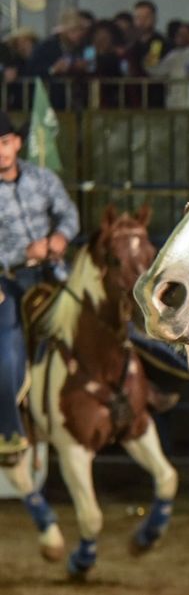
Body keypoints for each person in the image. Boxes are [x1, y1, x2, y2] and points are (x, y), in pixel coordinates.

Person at [0, 110, 80, 466]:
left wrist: (61, 237)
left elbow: (68, 213)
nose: (1, 151)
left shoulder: (41, 178)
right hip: (10, 279)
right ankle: (9, 428)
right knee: (9, 340)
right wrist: (22, 252)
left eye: (4, 143)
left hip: (53, 271)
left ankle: (168, 364)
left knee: (97, 310)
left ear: (16, 143)